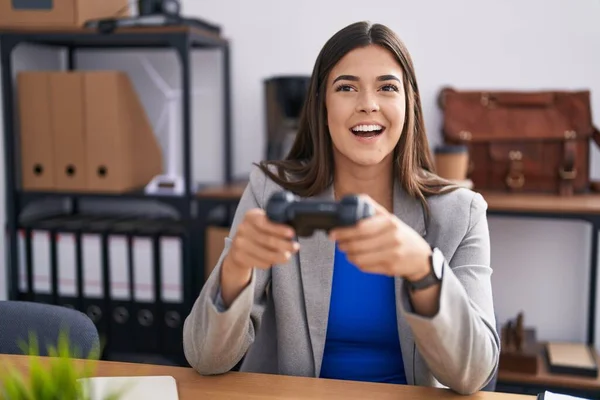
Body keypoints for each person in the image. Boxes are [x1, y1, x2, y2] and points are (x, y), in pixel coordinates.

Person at [183, 21, 499, 395]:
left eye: (387, 87)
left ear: (409, 102)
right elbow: (205, 358)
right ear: (322, 102)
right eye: (346, 87)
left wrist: (422, 268)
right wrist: (235, 267)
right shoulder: (271, 191)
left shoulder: (461, 213)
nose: (368, 103)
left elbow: (475, 374)